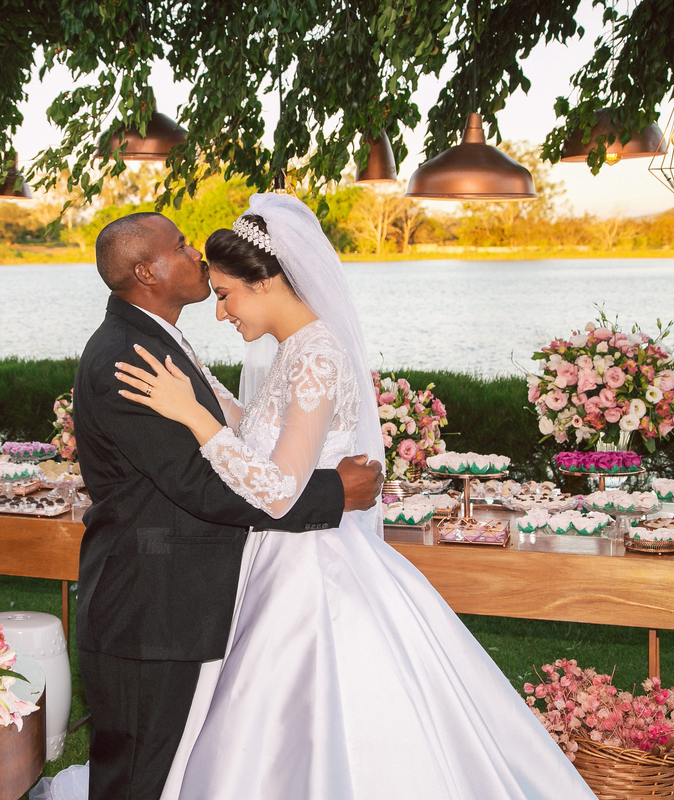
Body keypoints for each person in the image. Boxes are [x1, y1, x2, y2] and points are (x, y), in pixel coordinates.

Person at [112, 193, 597, 799]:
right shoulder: (293, 352)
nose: (222, 313)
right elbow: (259, 433)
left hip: (310, 572)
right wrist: (201, 386)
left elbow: (282, 490)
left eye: (225, 295)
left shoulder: (317, 355)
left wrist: (196, 419)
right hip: (275, 562)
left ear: (264, 281)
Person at [70, 211, 385, 799]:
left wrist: (202, 405)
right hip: (151, 613)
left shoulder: (160, 340)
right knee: (139, 778)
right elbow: (201, 485)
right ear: (146, 272)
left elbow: (241, 440)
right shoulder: (128, 356)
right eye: (181, 246)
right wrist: (334, 493)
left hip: (204, 599)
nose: (196, 256)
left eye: (225, 291)